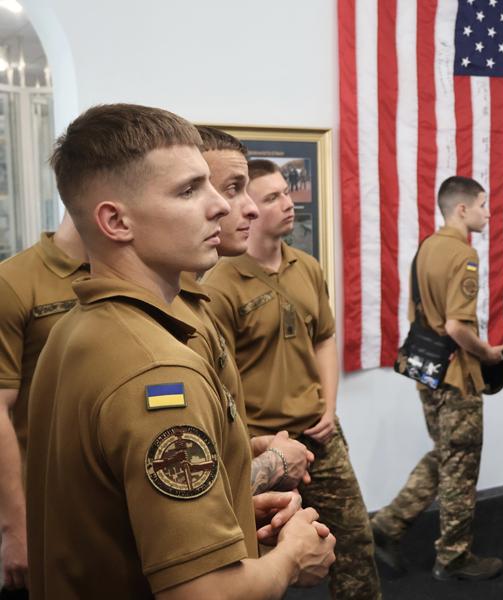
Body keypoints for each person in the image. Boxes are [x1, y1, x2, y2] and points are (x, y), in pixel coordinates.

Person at [25, 104, 335, 599]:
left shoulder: (76, 329)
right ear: (116, 221)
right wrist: (292, 558)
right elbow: (203, 594)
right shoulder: (158, 369)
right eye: (189, 190)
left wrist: (234, 497)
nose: (220, 207)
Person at [202, 159, 380, 599]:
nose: (288, 204)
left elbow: (324, 338)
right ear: (246, 208)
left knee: (355, 543)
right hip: (261, 445)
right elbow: (218, 379)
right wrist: (248, 443)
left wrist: (329, 407)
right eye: (272, 198)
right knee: (256, 562)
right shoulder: (220, 284)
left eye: (287, 192)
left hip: (319, 436)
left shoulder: (307, 266)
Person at [369, 176, 503, 581]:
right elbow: (456, 326)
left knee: (447, 453)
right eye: (483, 204)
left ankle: (387, 525)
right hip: (456, 377)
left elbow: (419, 316)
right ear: (462, 209)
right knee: (461, 464)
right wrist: (488, 353)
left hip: (427, 374)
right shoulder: (464, 255)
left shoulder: (426, 248)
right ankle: (453, 557)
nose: (488, 213)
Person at [176, 125, 314, 495]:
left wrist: (247, 449)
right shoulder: (171, 319)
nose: (248, 208)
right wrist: (276, 462)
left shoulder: (190, 304)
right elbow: (189, 486)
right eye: (232, 189)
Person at [0, 214, 88, 594]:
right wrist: (15, 527)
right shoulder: (13, 282)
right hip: (43, 511)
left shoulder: (129, 276)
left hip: (104, 507)